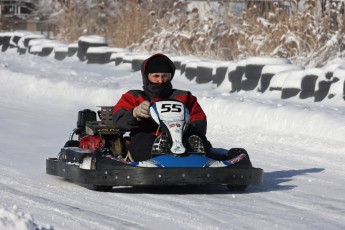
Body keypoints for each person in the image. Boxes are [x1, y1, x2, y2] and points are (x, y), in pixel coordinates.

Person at [112, 53, 211, 161]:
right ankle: (158, 155)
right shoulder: (134, 97)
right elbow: (118, 120)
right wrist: (134, 114)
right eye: (156, 76)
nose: (161, 80)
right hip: (147, 139)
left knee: (197, 138)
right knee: (143, 140)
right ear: (147, 77)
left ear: (170, 76)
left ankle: (200, 158)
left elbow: (199, 120)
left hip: (181, 137)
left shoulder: (184, 97)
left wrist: (185, 127)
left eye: (165, 76)